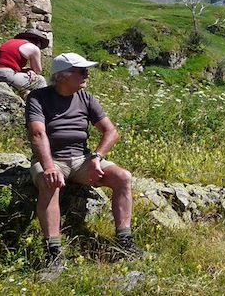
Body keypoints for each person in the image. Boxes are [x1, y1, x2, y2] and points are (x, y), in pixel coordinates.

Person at [26, 52, 147, 279]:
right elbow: (37, 133)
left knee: (123, 177)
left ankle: (124, 242)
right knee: (49, 183)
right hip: (51, 159)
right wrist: (50, 167)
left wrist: (97, 157)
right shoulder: (38, 98)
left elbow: (111, 132)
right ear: (62, 76)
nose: (87, 75)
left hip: (82, 158)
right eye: (82, 71)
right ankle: (53, 252)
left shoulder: (86, 98)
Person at [0, 29, 49, 94]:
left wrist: (28, 70)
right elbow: (38, 71)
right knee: (40, 80)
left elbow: (6, 63)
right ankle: (44, 103)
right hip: (4, 75)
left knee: (26, 85)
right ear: (38, 42)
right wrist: (32, 71)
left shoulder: (11, 42)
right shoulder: (34, 48)